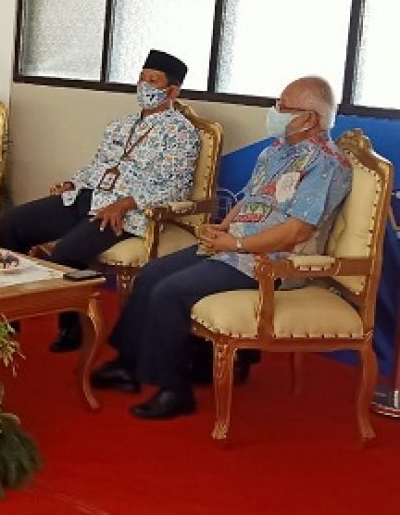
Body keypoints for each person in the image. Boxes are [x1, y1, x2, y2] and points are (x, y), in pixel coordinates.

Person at [90, 76, 353, 421]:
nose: (276, 112)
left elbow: (296, 231)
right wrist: (224, 229)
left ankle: (174, 389)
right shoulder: (276, 150)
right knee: (151, 273)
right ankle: (128, 364)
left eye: (284, 107)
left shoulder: (326, 164)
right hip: (235, 246)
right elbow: (249, 201)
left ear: (310, 118)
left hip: (271, 262)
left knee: (170, 292)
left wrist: (238, 242)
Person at [0, 50, 200, 352]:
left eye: (153, 81)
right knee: (12, 224)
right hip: (87, 196)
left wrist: (126, 203)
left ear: (171, 90)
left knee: (66, 253)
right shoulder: (121, 125)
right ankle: (5, 317)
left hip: (125, 213)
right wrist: (72, 183)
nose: (144, 86)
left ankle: (71, 327)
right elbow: (97, 166)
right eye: (141, 78)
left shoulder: (182, 134)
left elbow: (175, 188)